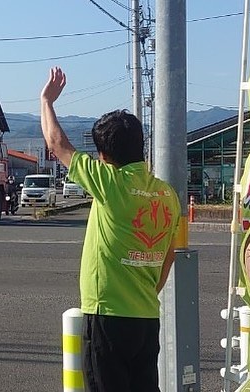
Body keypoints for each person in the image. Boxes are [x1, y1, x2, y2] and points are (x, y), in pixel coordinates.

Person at [40, 67, 180, 392]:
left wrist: (46, 101)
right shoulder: (167, 195)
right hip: (146, 317)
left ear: (103, 156)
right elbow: (169, 256)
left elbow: (56, 143)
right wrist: (144, 292)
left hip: (108, 315)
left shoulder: (109, 183)